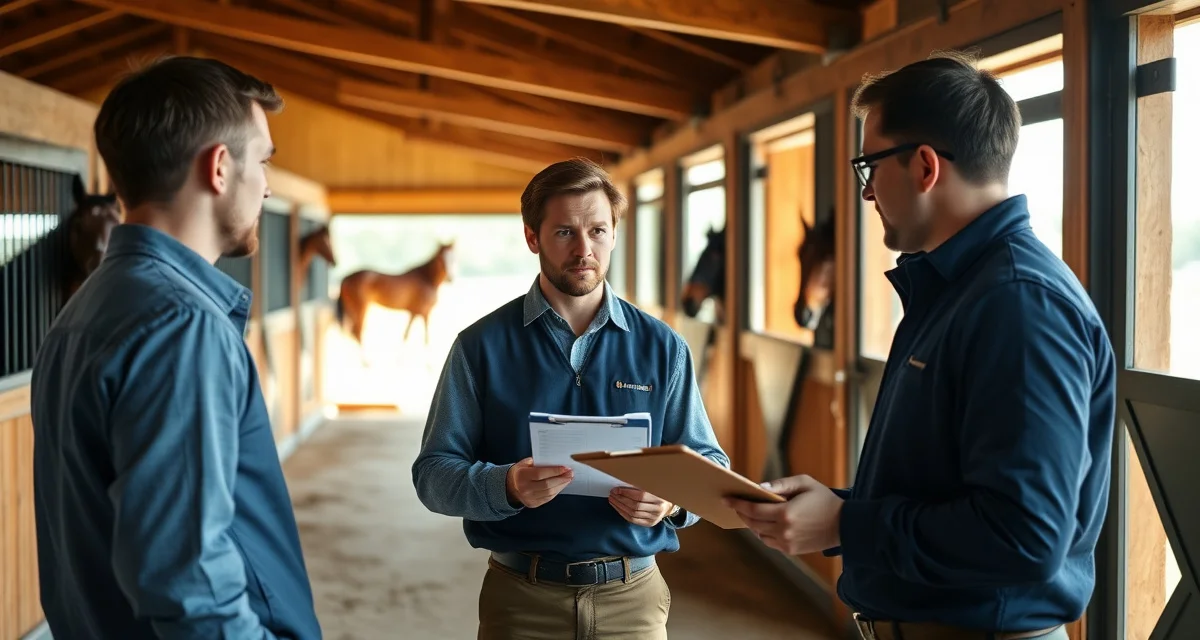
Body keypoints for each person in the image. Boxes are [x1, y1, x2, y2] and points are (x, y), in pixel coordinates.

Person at [727, 52, 1115, 640]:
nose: (866, 193)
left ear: (925, 166)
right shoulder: (957, 288)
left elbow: (1025, 536)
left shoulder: (1017, 303)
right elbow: (950, 488)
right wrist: (839, 510)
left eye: (869, 167)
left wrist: (847, 524)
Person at [30, 56, 321, 640]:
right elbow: (190, 582)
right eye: (263, 161)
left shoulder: (86, 309)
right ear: (218, 167)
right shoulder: (182, 325)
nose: (266, 185)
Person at [412, 157, 729, 639]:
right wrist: (507, 486)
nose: (584, 249)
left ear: (615, 233)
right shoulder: (479, 347)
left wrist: (671, 502)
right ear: (532, 237)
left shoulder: (664, 347)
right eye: (565, 233)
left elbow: (711, 464)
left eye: (598, 230)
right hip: (521, 598)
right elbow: (433, 474)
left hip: (633, 601)